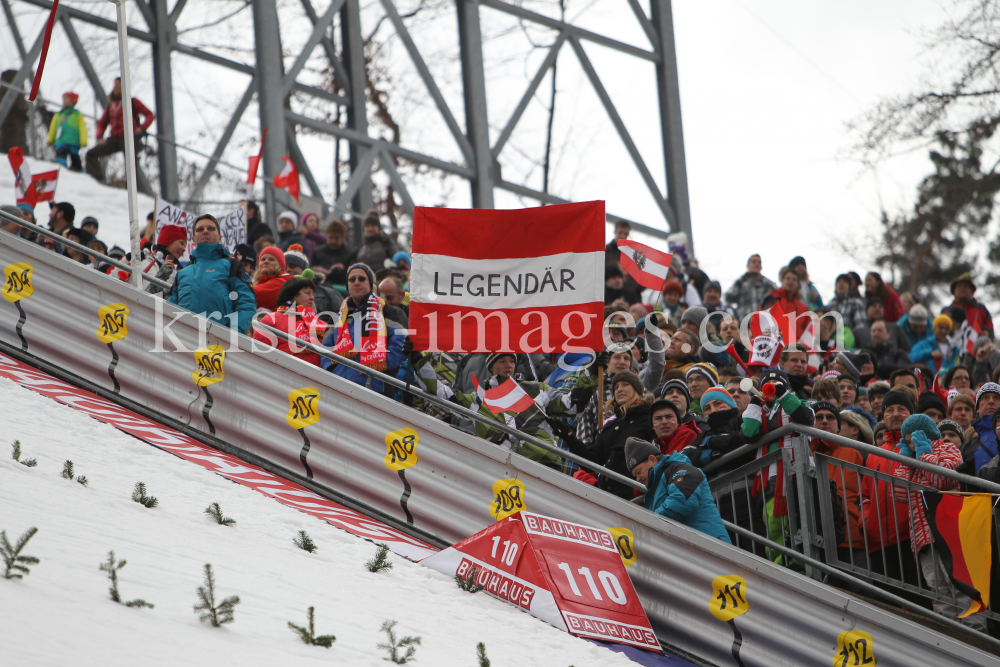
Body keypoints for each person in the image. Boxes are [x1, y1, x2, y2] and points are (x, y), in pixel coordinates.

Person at [416, 350, 596, 469]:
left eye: (511, 360)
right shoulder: (480, 399)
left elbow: (572, 405)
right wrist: (418, 360)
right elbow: (441, 393)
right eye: (502, 360)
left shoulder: (537, 388)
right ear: (491, 367)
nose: (508, 364)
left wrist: (593, 372)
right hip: (499, 466)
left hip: (544, 462)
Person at [892, 414, 984, 631]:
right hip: (923, 536)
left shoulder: (947, 449)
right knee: (939, 591)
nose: (911, 444)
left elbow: (944, 479)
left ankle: (975, 638)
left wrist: (925, 453)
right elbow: (898, 493)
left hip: (949, 531)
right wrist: (905, 459)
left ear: (924, 434)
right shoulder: (912, 458)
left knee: (962, 588)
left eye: (913, 438)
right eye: (907, 441)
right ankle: (950, 640)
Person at [860, 390, 924, 606]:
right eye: (889, 410)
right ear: (882, 416)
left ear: (911, 414)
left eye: (901, 409)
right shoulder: (874, 454)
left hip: (912, 544)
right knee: (885, 609)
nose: (895, 414)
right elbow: (865, 495)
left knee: (918, 607)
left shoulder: (922, 448)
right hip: (879, 545)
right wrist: (866, 523)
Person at [625, 438, 731, 543]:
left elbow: (681, 502)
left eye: (638, 472)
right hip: (694, 548)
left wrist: (648, 521)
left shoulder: (681, 469)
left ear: (652, 460)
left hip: (711, 547)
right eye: (635, 476)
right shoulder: (655, 490)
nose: (638, 479)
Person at [322, 262, 407, 392]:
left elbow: (400, 346)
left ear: (370, 284)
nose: (356, 282)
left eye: (362, 279)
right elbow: (325, 348)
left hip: (374, 390)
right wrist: (332, 369)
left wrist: (377, 365)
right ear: (347, 286)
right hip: (337, 386)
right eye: (352, 279)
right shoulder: (339, 314)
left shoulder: (389, 311)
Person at [167, 214, 256, 333]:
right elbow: (170, 306)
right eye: (200, 229)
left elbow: (246, 302)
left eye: (210, 228)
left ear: (219, 237)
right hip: (185, 341)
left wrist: (235, 335)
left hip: (220, 343)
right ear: (193, 239)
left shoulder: (232, 265)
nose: (205, 231)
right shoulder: (182, 273)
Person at [810, 403, 866, 567]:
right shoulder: (804, 456)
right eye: (818, 417)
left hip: (853, 538)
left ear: (839, 428)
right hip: (817, 541)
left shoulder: (854, 453)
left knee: (859, 590)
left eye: (831, 417)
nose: (825, 421)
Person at [86, 78, 155, 185]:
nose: (116, 86)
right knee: (91, 153)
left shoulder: (132, 101)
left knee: (131, 164)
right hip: (114, 138)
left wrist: (142, 128)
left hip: (129, 136)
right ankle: (96, 180)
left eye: (119, 84)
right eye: (115, 84)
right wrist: (99, 137)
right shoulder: (111, 105)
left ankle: (133, 188)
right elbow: (101, 122)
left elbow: (149, 115)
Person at [252, 277, 327, 366]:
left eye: (312, 294)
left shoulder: (320, 323)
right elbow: (258, 353)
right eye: (307, 293)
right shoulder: (272, 319)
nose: (312, 298)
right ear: (293, 295)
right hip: (280, 375)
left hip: (315, 378)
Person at [725, 254, 776, 320]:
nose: (756, 264)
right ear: (748, 265)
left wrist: (762, 278)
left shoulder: (766, 284)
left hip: (763, 324)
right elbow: (728, 297)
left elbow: (778, 293)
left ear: (761, 267)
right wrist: (743, 278)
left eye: (759, 262)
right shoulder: (741, 283)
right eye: (754, 262)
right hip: (744, 323)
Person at [143, 224, 187, 298]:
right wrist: (126, 260)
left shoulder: (178, 271)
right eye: (181, 243)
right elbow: (147, 296)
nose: (184, 249)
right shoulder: (145, 261)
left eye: (185, 246)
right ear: (168, 241)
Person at [47, 91, 87, 171]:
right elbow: (53, 128)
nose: (64, 100)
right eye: (63, 99)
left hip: (73, 141)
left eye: (66, 98)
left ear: (72, 101)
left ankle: (78, 171)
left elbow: (83, 128)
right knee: (61, 152)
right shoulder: (58, 115)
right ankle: (61, 169)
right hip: (61, 140)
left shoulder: (77, 115)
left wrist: (83, 141)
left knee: (74, 157)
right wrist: (50, 139)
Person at [769, 267, 809, 343]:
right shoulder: (772, 300)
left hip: (795, 347)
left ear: (798, 284)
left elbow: (807, 331)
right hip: (774, 344)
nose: (791, 281)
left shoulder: (803, 308)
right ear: (782, 280)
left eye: (794, 279)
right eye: (788, 278)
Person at [948, 272, 993, 337]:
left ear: (972, 291)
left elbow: (990, 331)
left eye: (966, 286)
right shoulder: (947, 310)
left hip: (977, 345)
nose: (962, 289)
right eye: (959, 286)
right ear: (954, 290)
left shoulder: (981, 309)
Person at [311, 219, 354, 285]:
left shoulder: (350, 254)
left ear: (343, 238)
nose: (333, 241)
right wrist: (330, 271)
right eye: (330, 238)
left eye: (336, 238)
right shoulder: (317, 252)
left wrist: (324, 270)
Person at [969, 383, 1000, 475]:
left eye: (996, 398)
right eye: (985, 398)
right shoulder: (968, 446)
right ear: (977, 408)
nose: (991, 401)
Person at [252, 247, 292, 312]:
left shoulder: (282, 282)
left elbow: (252, 294)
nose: (266, 261)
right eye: (263, 259)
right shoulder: (258, 282)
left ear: (280, 265)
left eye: (272, 259)